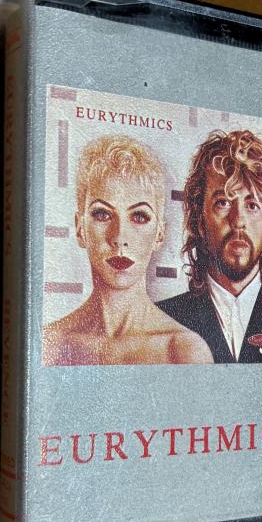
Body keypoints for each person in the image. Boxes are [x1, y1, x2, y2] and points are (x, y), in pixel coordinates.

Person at [43, 134, 213, 365]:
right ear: (80, 229)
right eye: (102, 214)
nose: (120, 237)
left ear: (159, 234)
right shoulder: (50, 343)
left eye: (139, 216)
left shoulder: (183, 351)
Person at [157, 130, 262, 364]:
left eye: (252, 205)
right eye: (223, 203)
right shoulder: (163, 321)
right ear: (199, 219)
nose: (238, 220)